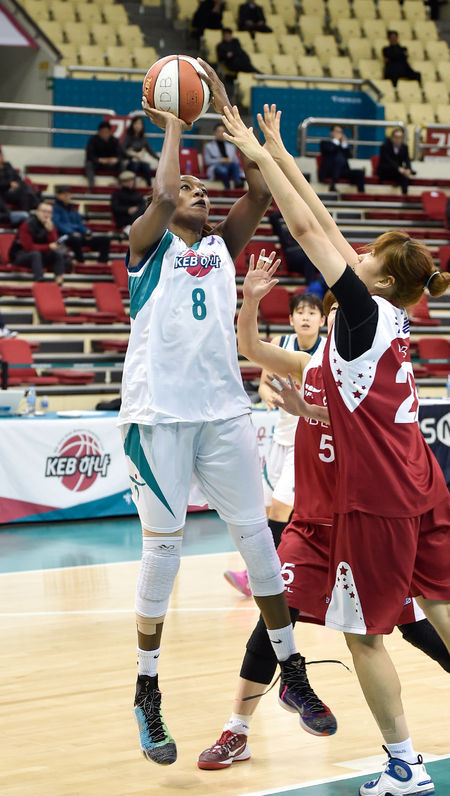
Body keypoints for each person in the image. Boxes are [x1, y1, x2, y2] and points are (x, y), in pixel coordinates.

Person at [221, 101, 450, 796]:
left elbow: (305, 227)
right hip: (425, 482)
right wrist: (278, 152)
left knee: (365, 637)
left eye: (366, 256)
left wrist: (258, 158)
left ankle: (404, 766)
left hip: (378, 498)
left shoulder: (361, 315)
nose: (355, 254)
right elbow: (322, 221)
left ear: (378, 280)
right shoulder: (389, 315)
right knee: (443, 609)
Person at [117, 60, 330, 768]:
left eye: (205, 188)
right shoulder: (145, 248)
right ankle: (147, 691)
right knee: (164, 552)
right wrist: (178, 121)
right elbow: (163, 191)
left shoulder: (219, 246)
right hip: (158, 419)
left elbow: (261, 189)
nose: (200, 193)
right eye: (192, 189)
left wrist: (227, 110)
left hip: (222, 412)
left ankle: (292, 670)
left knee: (258, 541)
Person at [200, 290, 450, 769]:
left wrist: (307, 411)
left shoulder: (372, 374)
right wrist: (250, 300)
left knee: (420, 630)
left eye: (340, 310)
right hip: (312, 524)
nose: (335, 316)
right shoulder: (309, 363)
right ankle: (237, 730)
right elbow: (249, 346)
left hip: (365, 527)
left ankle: (399, 754)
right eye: (329, 309)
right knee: (274, 620)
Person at [224, 292, 325, 597]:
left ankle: (261, 578)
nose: (306, 317)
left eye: (312, 313)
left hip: (305, 443)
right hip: (279, 439)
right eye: (300, 312)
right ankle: (276, 573)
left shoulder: (326, 352)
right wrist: (269, 396)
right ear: (291, 319)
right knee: (266, 511)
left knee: (281, 509)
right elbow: (265, 384)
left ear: (322, 320)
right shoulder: (281, 343)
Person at [9, 202, 68, 284]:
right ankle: (40, 281)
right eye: (44, 211)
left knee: (57, 255)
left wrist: (50, 231)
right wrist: (48, 247)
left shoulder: (50, 225)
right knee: (35, 254)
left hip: (40, 256)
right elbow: (28, 248)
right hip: (20, 255)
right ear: (37, 212)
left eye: (49, 212)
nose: (46, 215)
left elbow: (54, 245)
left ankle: (59, 282)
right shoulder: (26, 225)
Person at [53, 185, 110, 264]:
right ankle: (81, 262)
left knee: (105, 239)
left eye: (68, 194)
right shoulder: (55, 209)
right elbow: (57, 224)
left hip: (78, 235)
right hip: (65, 237)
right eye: (64, 194)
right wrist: (71, 232)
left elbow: (80, 223)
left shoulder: (73, 209)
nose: (67, 196)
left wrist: (87, 232)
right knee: (75, 239)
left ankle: (102, 264)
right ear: (58, 196)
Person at [269, 209, 317, 285]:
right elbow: (273, 216)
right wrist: (291, 213)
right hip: (293, 260)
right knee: (309, 259)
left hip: (307, 258)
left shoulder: (304, 231)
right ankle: (312, 286)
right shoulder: (283, 232)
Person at [0, 146, 40, 212]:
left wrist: (16, 185)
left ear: (2, 155)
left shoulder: (8, 165)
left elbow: (17, 177)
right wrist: (9, 185)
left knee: (25, 194)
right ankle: (37, 202)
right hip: (3, 193)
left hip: (17, 190)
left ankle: (26, 215)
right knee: (26, 191)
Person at [318, 124, 365, 193]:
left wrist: (344, 145)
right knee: (338, 160)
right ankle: (332, 185)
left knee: (359, 173)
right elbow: (331, 150)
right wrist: (336, 141)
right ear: (331, 133)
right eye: (337, 132)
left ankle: (361, 194)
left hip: (342, 171)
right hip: (330, 171)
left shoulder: (342, 145)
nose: (339, 134)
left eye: (340, 132)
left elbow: (349, 156)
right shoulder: (325, 143)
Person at [203, 121, 244, 189]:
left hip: (230, 166)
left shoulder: (231, 146)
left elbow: (236, 160)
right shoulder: (208, 146)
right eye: (219, 131)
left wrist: (230, 160)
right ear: (214, 133)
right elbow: (207, 161)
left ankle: (237, 183)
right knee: (223, 170)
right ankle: (228, 188)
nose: (221, 134)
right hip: (217, 166)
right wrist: (220, 160)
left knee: (235, 164)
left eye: (223, 131)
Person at [122, 116, 159, 187]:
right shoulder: (128, 137)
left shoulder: (143, 139)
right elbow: (122, 150)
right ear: (132, 125)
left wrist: (159, 159)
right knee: (135, 165)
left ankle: (149, 187)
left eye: (140, 124)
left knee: (146, 166)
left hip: (141, 161)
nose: (138, 126)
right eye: (136, 123)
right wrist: (133, 156)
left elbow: (151, 151)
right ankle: (133, 187)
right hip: (131, 161)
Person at [377, 128, 416, 196]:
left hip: (398, 172)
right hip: (386, 171)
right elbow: (388, 160)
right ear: (392, 138)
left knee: (405, 176)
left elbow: (407, 159)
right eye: (396, 137)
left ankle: (404, 196)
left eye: (400, 137)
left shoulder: (404, 147)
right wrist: (398, 168)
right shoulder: (385, 146)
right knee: (402, 174)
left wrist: (408, 169)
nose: (398, 139)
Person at [85, 121, 124, 187]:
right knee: (89, 164)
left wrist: (116, 159)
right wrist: (99, 160)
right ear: (99, 132)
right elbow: (89, 155)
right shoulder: (93, 139)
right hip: (98, 164)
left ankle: (121, 185)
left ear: (110, 132)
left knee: (122, 164)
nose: (104, 134)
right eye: (102, 132)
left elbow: (120, 154)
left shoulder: (114, 140)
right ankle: (92, 185)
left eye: (106, 132)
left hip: (111, 164)